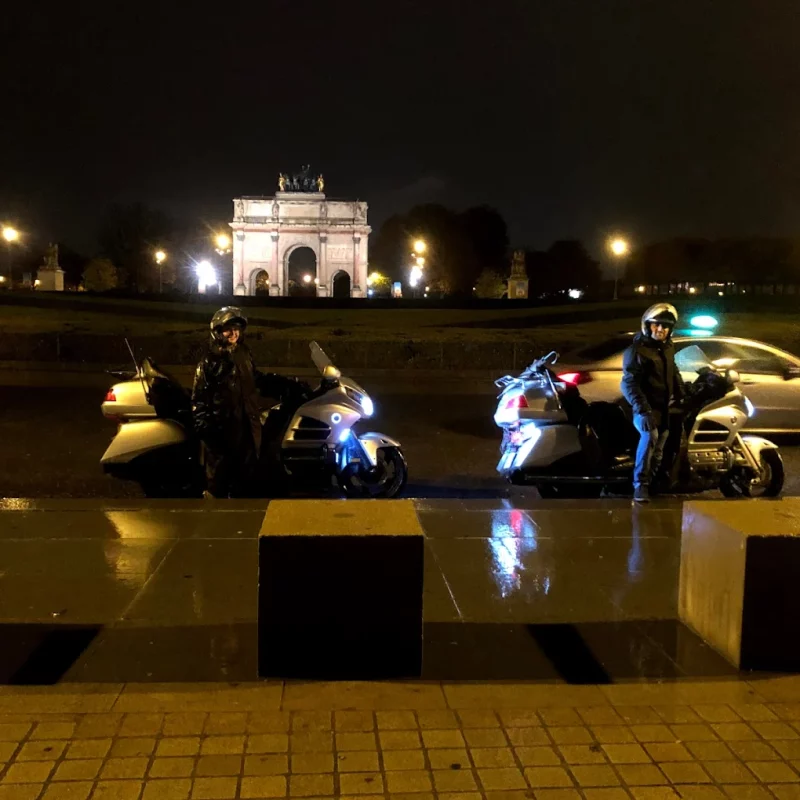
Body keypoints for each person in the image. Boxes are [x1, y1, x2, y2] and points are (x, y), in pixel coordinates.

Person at [192, 307, 304, 498]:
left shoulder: (243, 354)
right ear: (218, 330)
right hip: (223, 431)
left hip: (248, 427)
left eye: (237, 328)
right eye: (228, 328)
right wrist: (209, 432)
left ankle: (243, 520)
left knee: (246, 481)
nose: (234, 333)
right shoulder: (209, 362)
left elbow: (256, 379)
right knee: (219, 483)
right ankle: (211, 522)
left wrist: (285, 385)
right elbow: (199, 400)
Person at [621, 303, 685, 503]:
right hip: (645, 410)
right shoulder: (637, 351)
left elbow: (672, 371)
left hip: (662, 408)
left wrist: (683, 391)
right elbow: (629, 383)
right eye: (656, 324)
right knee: (650, 437)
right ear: (647, 326)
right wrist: (643, 410)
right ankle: (640, 486)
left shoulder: (667, 348)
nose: (660, 329)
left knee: (660, 447)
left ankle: (654, 481)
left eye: (665, 326)